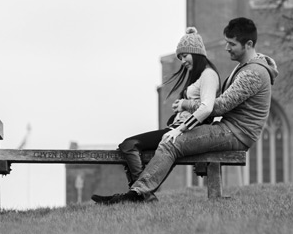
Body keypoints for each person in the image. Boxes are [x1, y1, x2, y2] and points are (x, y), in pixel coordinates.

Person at [94, 17, 278, 205]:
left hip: (236, 133)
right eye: (226, 43)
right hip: (229, 129)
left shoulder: (253, 72)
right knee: (165, 140)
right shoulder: (245, 68)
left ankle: (137, 195)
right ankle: (138, 193)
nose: (227, 48)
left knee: (173, 142)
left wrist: (186, 106)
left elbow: (220, 106)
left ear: (248, 44)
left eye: (231, 44)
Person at [92, 27, 220, 203]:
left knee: (130, 145)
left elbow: (207, 107)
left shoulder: (209, 75)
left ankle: (142, 195)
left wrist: (181, 121)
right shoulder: (199, 76)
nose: (183, 61)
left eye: (185, 56)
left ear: (196, 53)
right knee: (126, 146)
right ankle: (142, 194)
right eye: (180, 57)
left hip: (182, 132)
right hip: (175, 129)